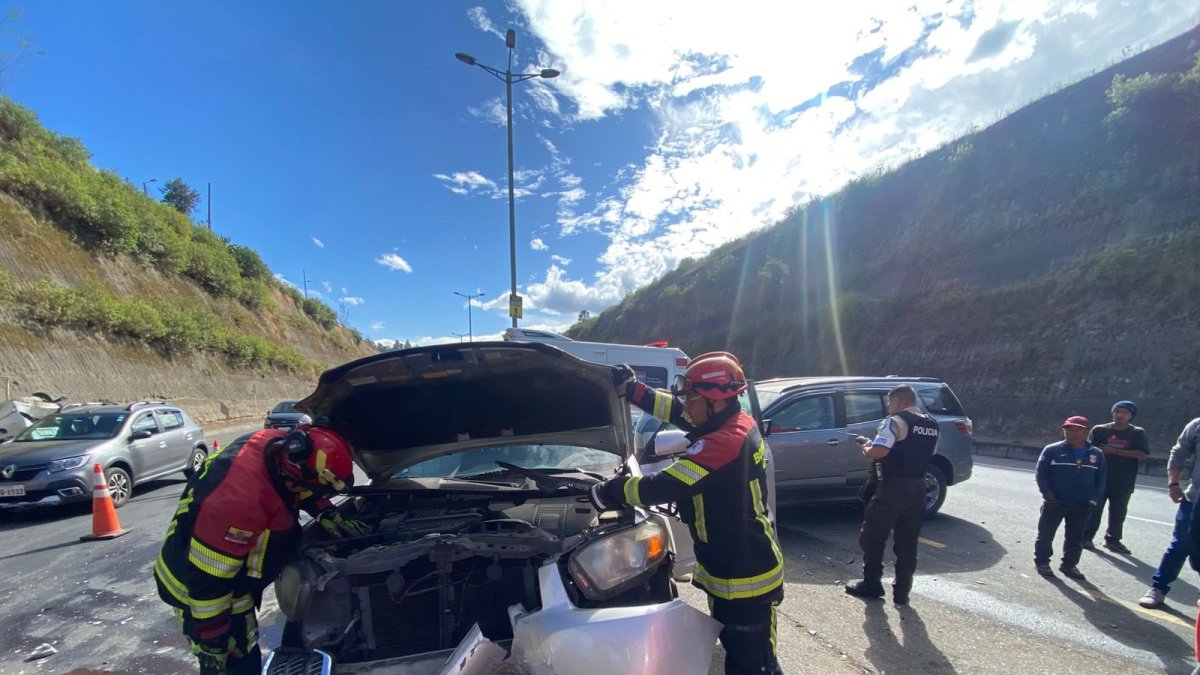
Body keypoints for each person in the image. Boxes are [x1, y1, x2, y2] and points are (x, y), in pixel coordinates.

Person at [589, 352, 784, 675]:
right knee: (740, 655)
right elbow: (678, 411)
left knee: (754, 666)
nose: (686, 406)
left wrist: (610, 490)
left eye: (692, 398)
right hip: (731, 568)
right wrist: (635, 390)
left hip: (747, 578)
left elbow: (662, 486)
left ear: (716, 400)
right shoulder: (726, 419)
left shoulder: (726, 440)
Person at [154, 424, 366, 674]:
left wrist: (325, 511)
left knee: (242, 644)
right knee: (235, 658)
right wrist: (212, 638)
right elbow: (208, 580)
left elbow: (302, 481)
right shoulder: (238, 502)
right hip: (198, 591)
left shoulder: (279, 446)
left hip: (229, 576)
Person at [844, 385, 940, 605]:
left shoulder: (895, 421)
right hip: (918, 488)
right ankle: (902, 592)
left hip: (892, 488)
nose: (889, 408)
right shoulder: (932, 424)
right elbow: (930, 453)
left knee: (872, 536)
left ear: (896, 401)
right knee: (907, 542)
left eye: (889, 403)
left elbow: (880, 451)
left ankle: (872, 583)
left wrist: (867, 448)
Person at [1137, 416, 1200, 608]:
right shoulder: (1197, 425)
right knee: (1180, 544)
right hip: (1195, 498)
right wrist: (1173, 483)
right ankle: (1158, 587)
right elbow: (1179, 452)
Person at [1033, 416, 1106, 580]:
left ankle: (1069, 564)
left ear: (1086, 432)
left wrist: (1093, 500)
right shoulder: (1052, 450)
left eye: (1077, 430)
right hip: (1055, 502)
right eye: (1068, 430)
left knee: (1075, 537)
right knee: (1046, 534)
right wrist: (1048, 495)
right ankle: (1042, 562)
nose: (1072, 433)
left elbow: (1101, 480)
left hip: (1082, 504)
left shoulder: (1096, 454)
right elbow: (1041, 474)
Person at [1082, 400, 1149, 553]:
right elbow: (1090, 450)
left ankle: (1113, 540)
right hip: (1099, 478)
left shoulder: (1137, 433)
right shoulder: (1100, 430)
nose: (1119, 415)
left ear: (1131, 416)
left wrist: (1114, 451)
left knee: (1118, 513)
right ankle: (1085, 538)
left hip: (1123, 480)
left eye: (1124, 412)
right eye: (1117, 411)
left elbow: (1141, 453)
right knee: (1093, 510)